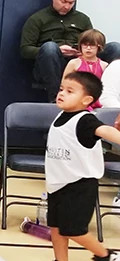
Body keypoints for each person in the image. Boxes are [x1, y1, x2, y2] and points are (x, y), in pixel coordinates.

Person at [44, 72, 120, 261]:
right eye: (61, 89)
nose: (62, 93)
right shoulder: (61, 115)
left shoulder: (85, 120)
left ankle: (106, 256)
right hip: (57, 184)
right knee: (56, 227)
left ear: (87, 100)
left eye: (70, 91)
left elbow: (104, 130)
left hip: (79, 186)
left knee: (74, 230)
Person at [20, 0, 120, 102]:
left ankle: (106, 97)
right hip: (53, 63)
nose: (67, 6)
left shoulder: (82, 19)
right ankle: (56, 98)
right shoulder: (37, 19)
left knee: (115, 47)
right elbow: (25, 50)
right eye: (63, 1)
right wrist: (58, 50)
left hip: (81, 59)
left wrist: (82, 50)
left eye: (71, 2)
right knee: (50, 48)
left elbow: (91, 40)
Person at [61, 29, 108, 110]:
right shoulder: (74, 63)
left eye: (92, 45)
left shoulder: (104, 65)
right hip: (77, 100)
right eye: (85, 45)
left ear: (99, 46)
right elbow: (64, 84)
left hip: (98, 102)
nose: (88, 48)